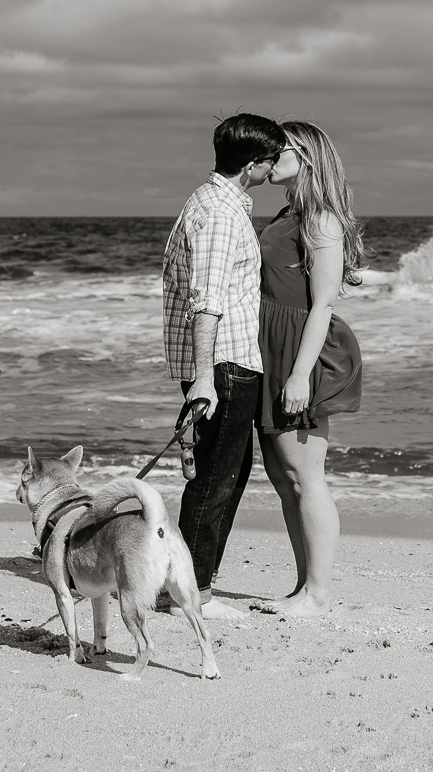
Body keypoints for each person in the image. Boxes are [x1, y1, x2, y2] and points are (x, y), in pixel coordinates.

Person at [160, 112, 287, 619]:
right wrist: (206, 377)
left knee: (226, 475)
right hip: (225, 364)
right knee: (215, 479)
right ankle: (193, 595)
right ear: (253, 165)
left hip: (227, 361)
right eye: (271, 160)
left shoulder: (211, 201)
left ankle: (191, 586)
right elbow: (205, 301)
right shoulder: (219, 213)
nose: (275, 167)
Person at [254, 120, 364, 616]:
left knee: (307, 476)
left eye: (281, 149)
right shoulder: (286, 212)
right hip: (272, 348)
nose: (271, 155)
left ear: (306, 155)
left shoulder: (320, 219)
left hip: (301, 352)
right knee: (284, 478)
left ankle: (319, 593)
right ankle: (303, 588)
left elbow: (321, 305)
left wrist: (299, 375)